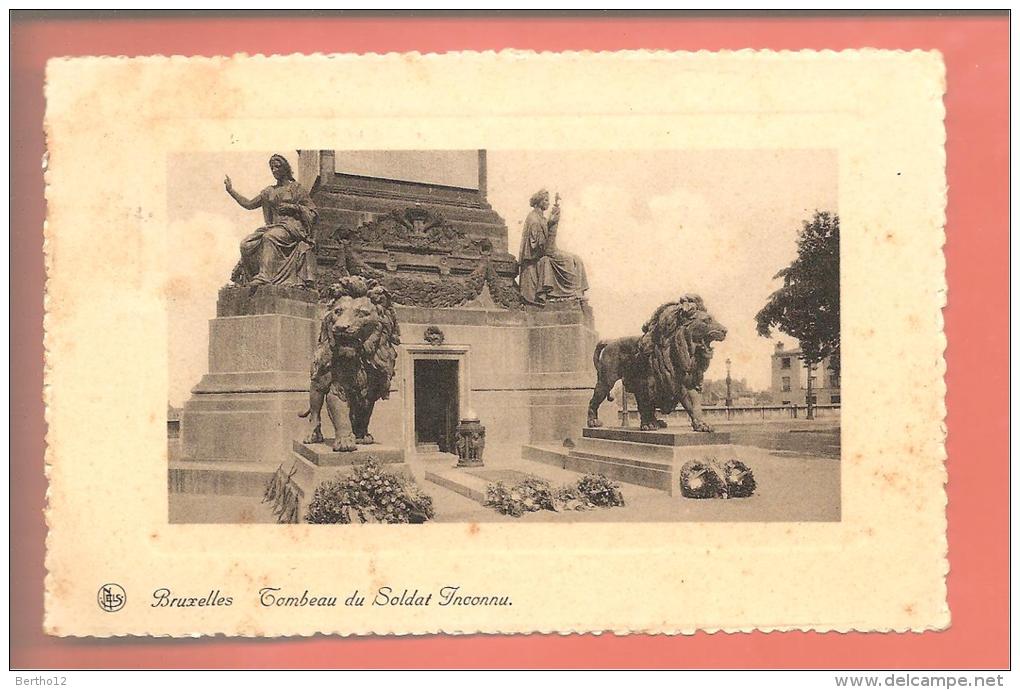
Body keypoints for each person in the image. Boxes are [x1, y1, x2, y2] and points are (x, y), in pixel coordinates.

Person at [224, 154, 318, 288]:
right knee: (246, 244)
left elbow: (313, 212)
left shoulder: (296, 189)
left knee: (270, 237)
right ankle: (253, 278)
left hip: (292, 227)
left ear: (285, 168)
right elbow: (249, 204)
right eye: (272, 168)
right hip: (275, 226)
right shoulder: (269, 191)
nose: (274, 170)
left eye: (277, 167)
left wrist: (294, 207)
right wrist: (231, 191)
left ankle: (265, 276)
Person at [517, 189, 589, 305]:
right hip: (539, 256)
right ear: (538, 201)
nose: (548, 203)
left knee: (577, 259)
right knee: (569, 260)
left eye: (548, 201)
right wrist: (550, 224)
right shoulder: (534, 219)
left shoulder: (541, 218)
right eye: (545, 200)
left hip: (548, 251)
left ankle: (577, 291)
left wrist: (550, 223)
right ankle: (571, 293)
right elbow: (536, 248)